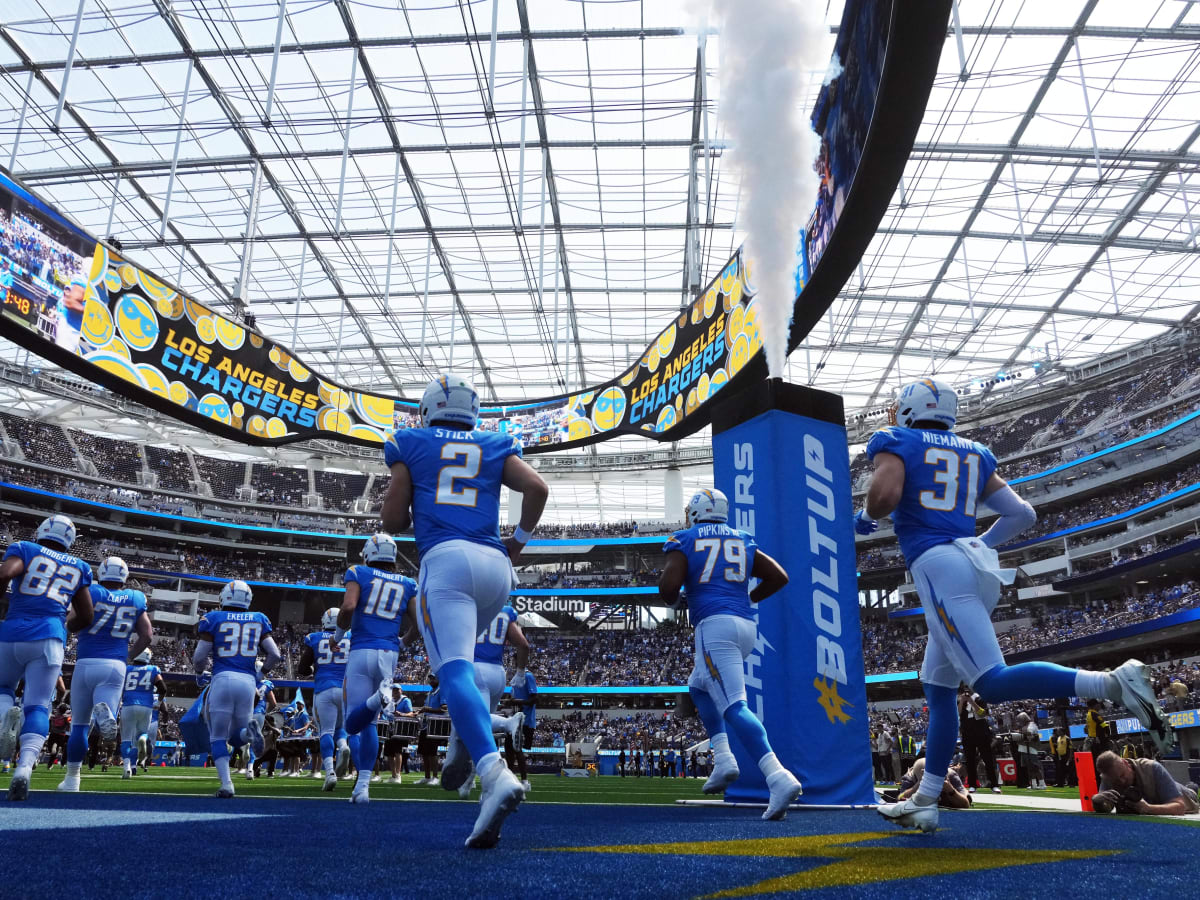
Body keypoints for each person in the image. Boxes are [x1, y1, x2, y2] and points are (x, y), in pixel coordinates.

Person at [859, 378, 1173, 834]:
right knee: (938, 689)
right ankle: (925, 799)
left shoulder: (897, 439)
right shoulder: (974, 451)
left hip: (938, 565)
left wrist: (867, 517)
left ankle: (1109, 683)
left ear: (908, 409)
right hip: (974, 563)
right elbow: (1023, 514)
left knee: (991, 683)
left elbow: (885, 498)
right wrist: (975, 545)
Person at [381, 372, 549, 848]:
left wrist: (407, 495)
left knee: (453, 672)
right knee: (465, 668)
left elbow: (393, 522)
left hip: (446, 562)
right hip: (496, 569)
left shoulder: (410, 440)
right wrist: (519, 539)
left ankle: (494, 773)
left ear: (429, 408)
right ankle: (462, 741)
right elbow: (537, 489)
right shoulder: (494, 442)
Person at [658, 487, 802, 821]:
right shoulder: (742, 538)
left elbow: (667, 589)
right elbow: (778, 576)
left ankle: (777, 776)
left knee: (735, 706)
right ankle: (724, 759)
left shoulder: (685, 538)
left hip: (714, 626)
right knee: (697, 686)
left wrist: (680, 597)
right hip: (744, 626)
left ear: (695, 512)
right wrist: (748, 597)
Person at [0, 514, 94, 800]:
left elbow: (4, 574)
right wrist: (64, 627)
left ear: (42, 530)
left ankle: (5, 718)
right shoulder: (80, 566)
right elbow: (87, 615)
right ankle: (24, 769)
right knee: (38, 706)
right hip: (50, 637)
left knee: (3, 689)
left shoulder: (26, 548)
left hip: (12, 630)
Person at [338, 533, 418, 804]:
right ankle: (362, 787)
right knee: (370, 724)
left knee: (352, 724)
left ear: (369, 553)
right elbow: (418, 625)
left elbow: (348, 607)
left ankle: (376, 699)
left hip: (361, 649)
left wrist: (337, 636)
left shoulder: (358, 571)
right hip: (389, 653)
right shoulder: (408, 583)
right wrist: (403, 643)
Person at [59, 556, 150, 791]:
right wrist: (129, 656)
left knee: (78, 724)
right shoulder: (135, 597)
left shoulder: (93, 592)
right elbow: (147, 635)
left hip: (86, 661)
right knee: (105, 714)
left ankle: (72, 779)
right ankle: (104, 715)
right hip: (115, 664)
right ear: (124, 576)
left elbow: (71, 621)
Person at [192, 580, 280, 798]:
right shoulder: (259, 619)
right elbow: (275, 655)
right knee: (237, 738)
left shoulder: (213, 618)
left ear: (224, 597)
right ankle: (250, 733)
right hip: (248, 683)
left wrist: (199, 673)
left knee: (218, 737)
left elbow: (199, 657)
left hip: (222, 678)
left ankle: (227, 784)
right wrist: (260, 675)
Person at [442, 603, 528, 799]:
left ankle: (508, 723)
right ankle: (471, 780)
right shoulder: (505, 611)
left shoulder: (466, 606)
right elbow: (523, 644)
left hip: (473, 669)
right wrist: (521, 672)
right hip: (498, 673)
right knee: (478, 730)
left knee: (469, 721)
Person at [298, 607, 352, 791]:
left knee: (326, 731)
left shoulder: (314, 638)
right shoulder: (352, 637)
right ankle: (343, 746)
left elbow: (302, 669)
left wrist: (314, 669)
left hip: (324, 689)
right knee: (341, 729)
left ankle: (329, 773)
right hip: (345, 690)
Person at [1092, 750, 1199, 816]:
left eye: (1122, 775)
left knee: (1190, 790)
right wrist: (1097, 801)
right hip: (1157, 798)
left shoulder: (1152, 767)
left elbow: (1179, 807)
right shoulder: (1108, 777)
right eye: (1116, 781)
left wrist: (1147, 808)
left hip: (1185, 795)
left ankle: (1192, 787)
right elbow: (1106, 808)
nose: (1122, 781)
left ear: (1126, 763)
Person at [119, 648, 164, 779]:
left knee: (126, 739)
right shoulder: (153, 669)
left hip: (128, 705)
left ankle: (127, 767)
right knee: (139, 736)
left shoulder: (126, 669)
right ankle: (143, 738)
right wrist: (158, 702)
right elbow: (163, 688)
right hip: (146, 707)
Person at [958, 689, 1001, 793]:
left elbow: (983, 714)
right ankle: (972, 785)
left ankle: (994, 784)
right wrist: (962, 701)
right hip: (967, 733)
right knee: (970, 760)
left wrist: (972, 702)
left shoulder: (980, 699)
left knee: (988, 759)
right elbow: (959, 713)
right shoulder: (961, 701)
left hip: (981, 732)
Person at [897, 758, 971, 810]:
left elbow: (965, 805)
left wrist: (950, 790)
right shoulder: (910, 778)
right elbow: (900, 799)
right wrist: (919, 785)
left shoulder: (951, 776)